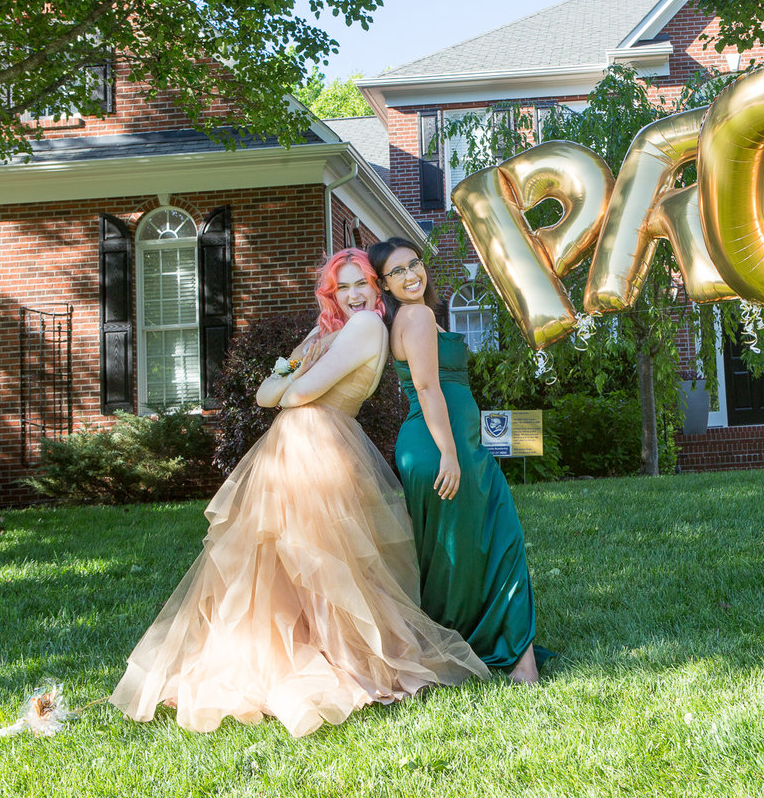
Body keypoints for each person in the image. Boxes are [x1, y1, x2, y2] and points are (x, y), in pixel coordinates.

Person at [110, 249, 487, 737]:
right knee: (282, 560)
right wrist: (294, 375)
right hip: (295, 446)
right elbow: (265, 395)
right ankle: (299, 652)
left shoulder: (367, 326)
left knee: (323, 558)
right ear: (330, 294)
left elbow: (295, 394)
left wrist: (295, 376)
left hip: (321, 443)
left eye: (361, 284)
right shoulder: (328, 330)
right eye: (342, 287)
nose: (353, 295)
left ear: (376, 288)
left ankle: (348, 658)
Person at [369, 238, 543, 683]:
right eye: (397, 272)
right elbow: (428, 388)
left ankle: (472, 647)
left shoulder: (414, 316)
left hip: (448, 443)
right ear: (384, 285)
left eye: (414, 264)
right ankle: (517, 661)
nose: (411, 275)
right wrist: (449, 452)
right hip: (442, 446)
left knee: (460, 550)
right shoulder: (416, 316)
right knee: (498, 537)